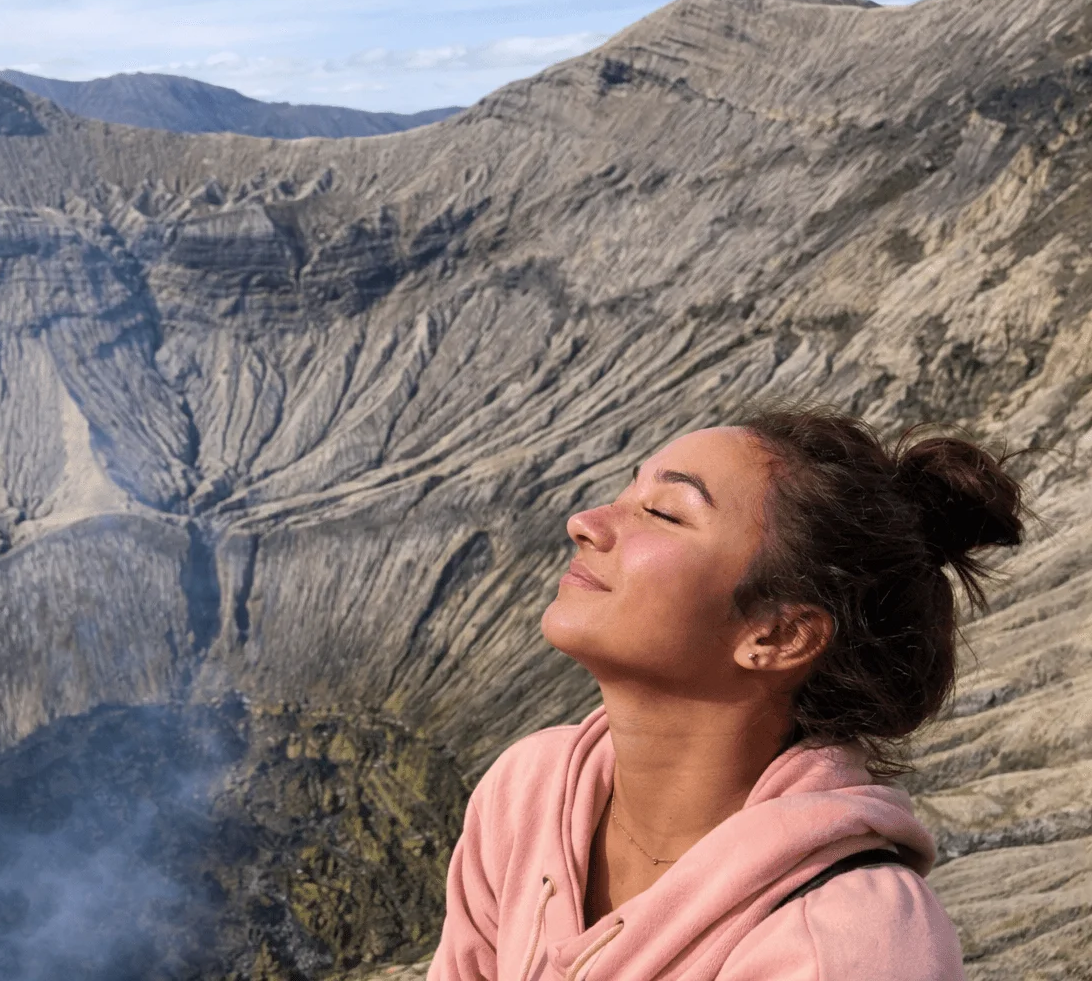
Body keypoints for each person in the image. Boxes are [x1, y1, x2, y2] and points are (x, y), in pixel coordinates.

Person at [428, 404, 1026, 981]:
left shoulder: (844, 947)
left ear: (779, 635)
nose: (584, 522)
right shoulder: (530, 790)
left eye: (664, 512)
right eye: (627, 492)